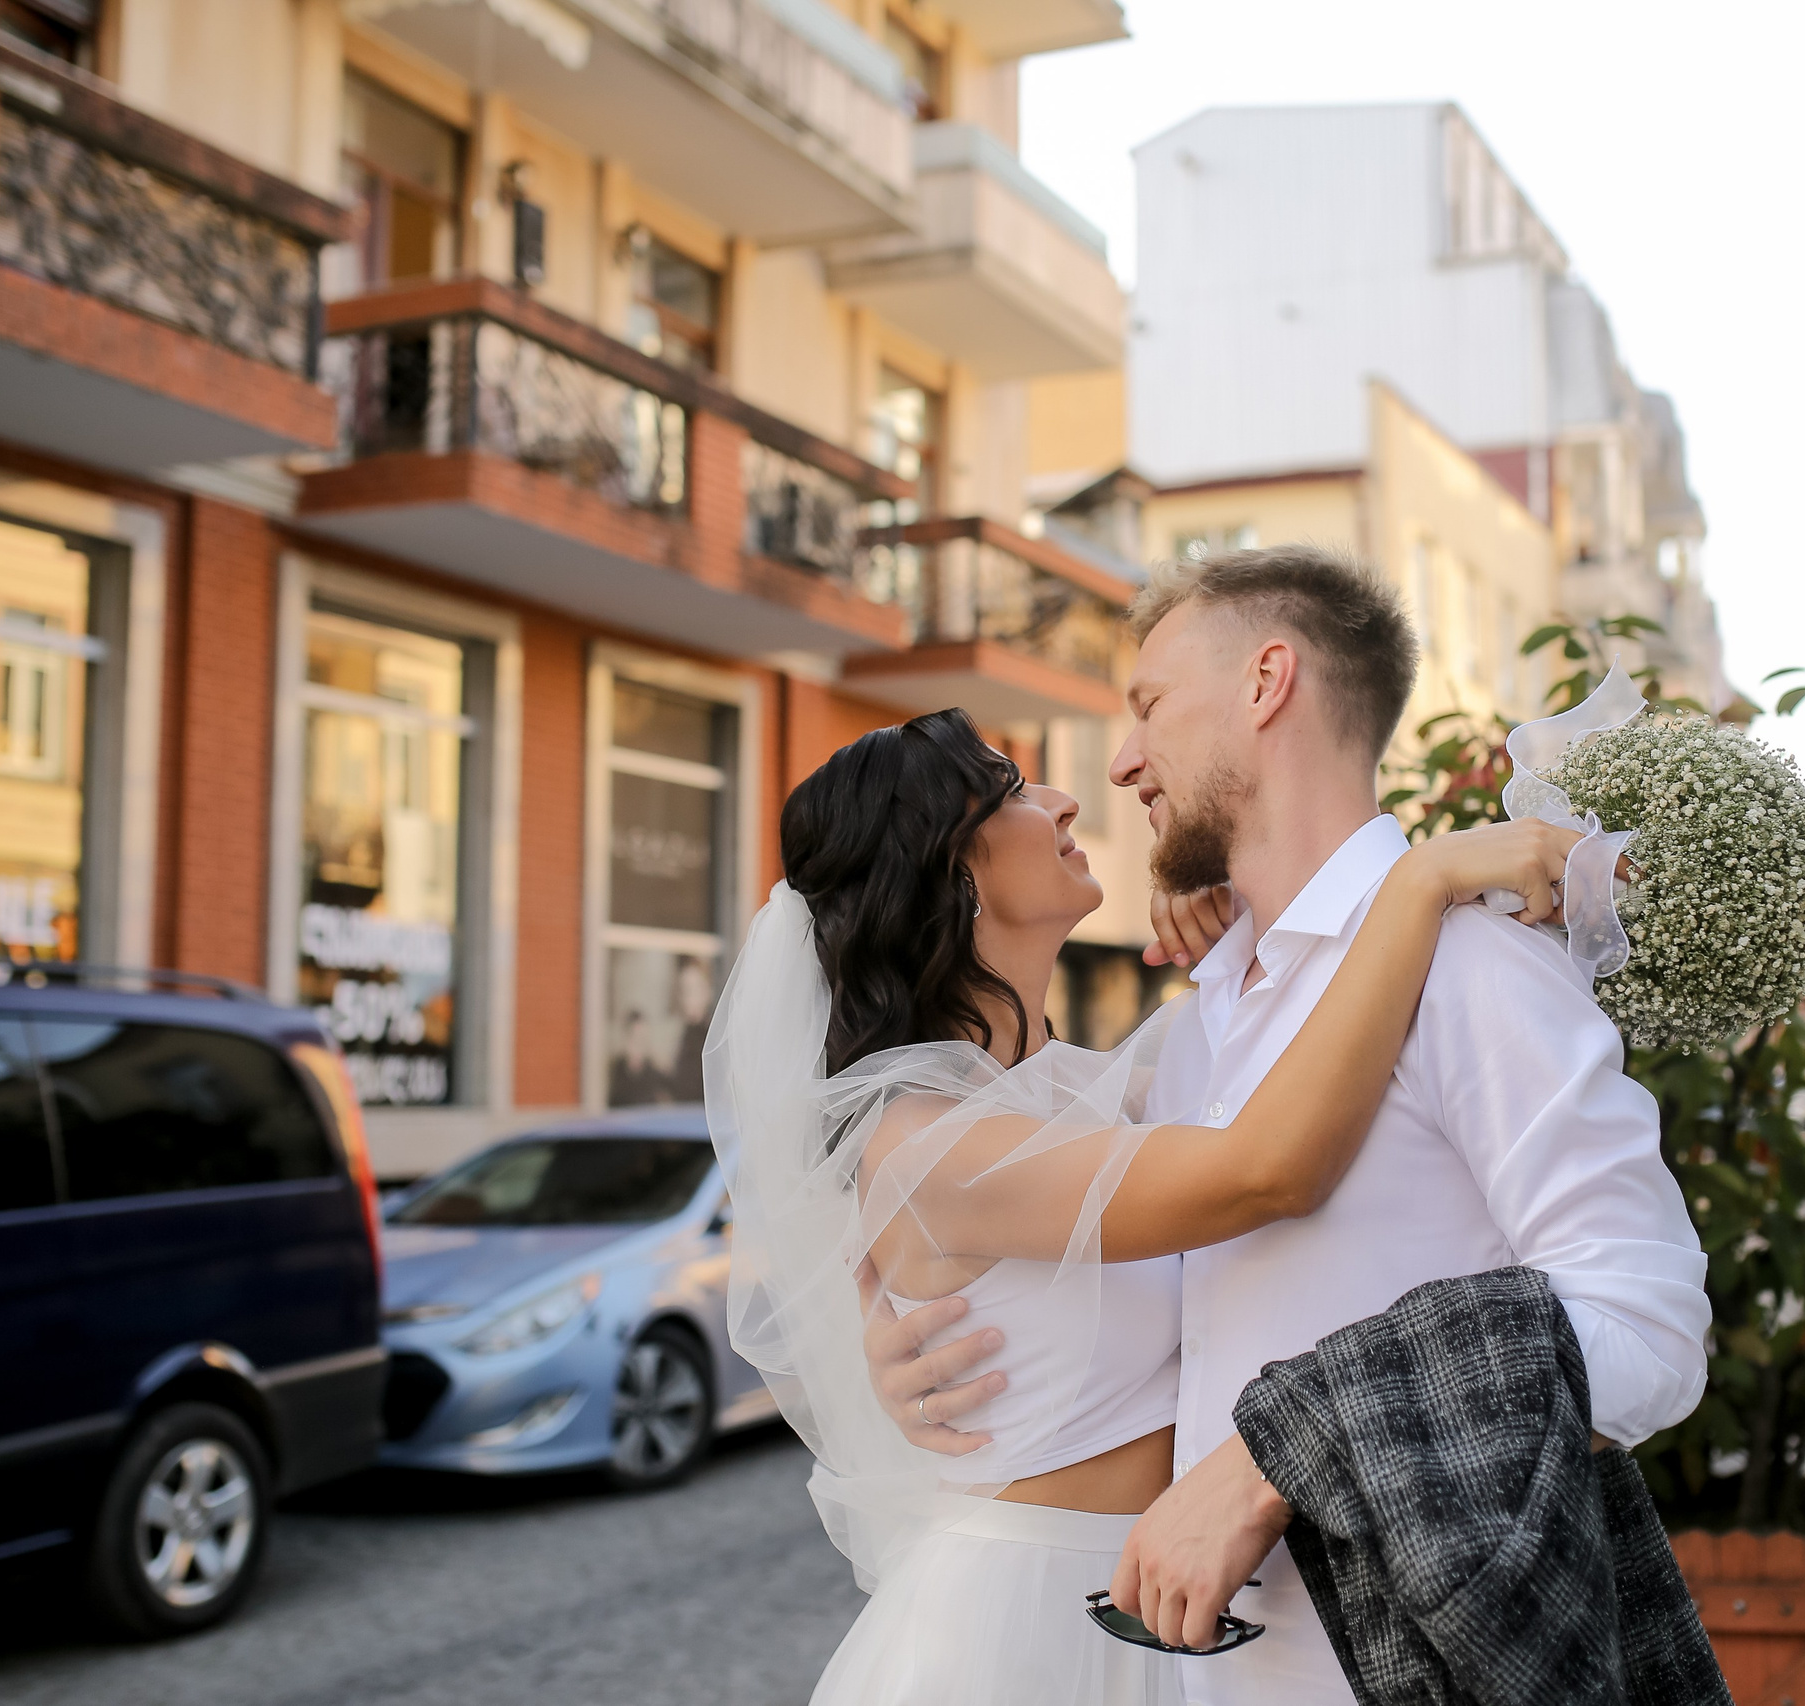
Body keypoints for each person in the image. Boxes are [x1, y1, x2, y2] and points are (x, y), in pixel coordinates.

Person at [864, 543, 1712, 1704]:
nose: (1119, 763)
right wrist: (887, 1314)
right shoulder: (1201, 1025)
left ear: (1266, 683)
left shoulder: (1471, 962)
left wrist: (1290, 1453)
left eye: (1150, 706)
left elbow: (1649, 1328)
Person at [704, 701, 1585, 1706]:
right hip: (1018, 1633)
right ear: (957, 868)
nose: (1066, 796)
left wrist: (1237, 926)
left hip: (1157, 1607)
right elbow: (1268, 1164)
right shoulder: (927, 1140)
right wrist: (1420, 879)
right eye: (1014, 790)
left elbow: (1269, 1044)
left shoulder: (1069, 1090)